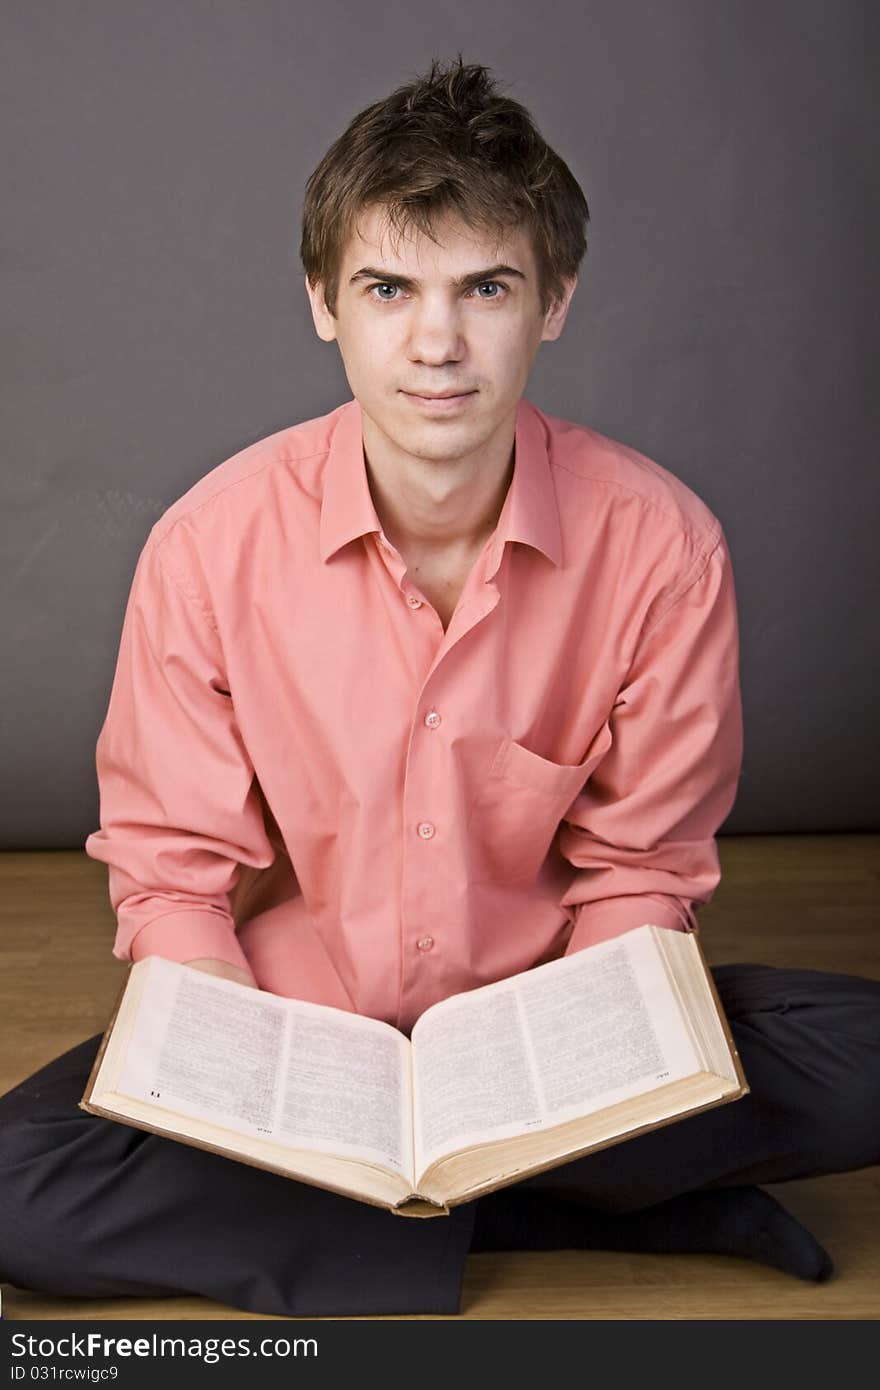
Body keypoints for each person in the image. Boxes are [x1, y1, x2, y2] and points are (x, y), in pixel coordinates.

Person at [1, 56, 878, 1320]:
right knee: (18, 1188)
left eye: (486, 288)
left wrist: (574, 1088)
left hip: (546, 1036)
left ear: (554, 300)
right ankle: (574, 1212)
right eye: (387, 288)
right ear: (323, 302)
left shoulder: (660, 545)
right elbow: (174, 881)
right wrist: (258, 1098)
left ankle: (525, 1178)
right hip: (304, 1045)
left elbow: (641, 874)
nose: (436, 342)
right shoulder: (209, 545)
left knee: (856, 1058)